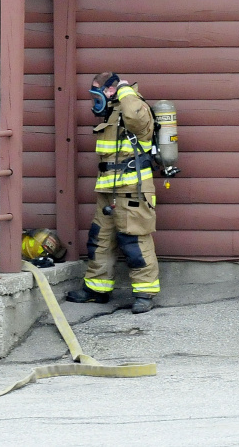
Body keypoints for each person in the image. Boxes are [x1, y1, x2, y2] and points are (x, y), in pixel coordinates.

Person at [66, 71, 161, 314]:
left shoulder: (136, 107)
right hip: (108, 188)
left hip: (133, 189)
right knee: (101, 239)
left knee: (134, 240)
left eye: (98, 90)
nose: (94, 98)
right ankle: (97, 290)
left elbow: (134, 118)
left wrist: (125, 89)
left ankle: (145, 293)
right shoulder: (112, 113)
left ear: (111, 89)